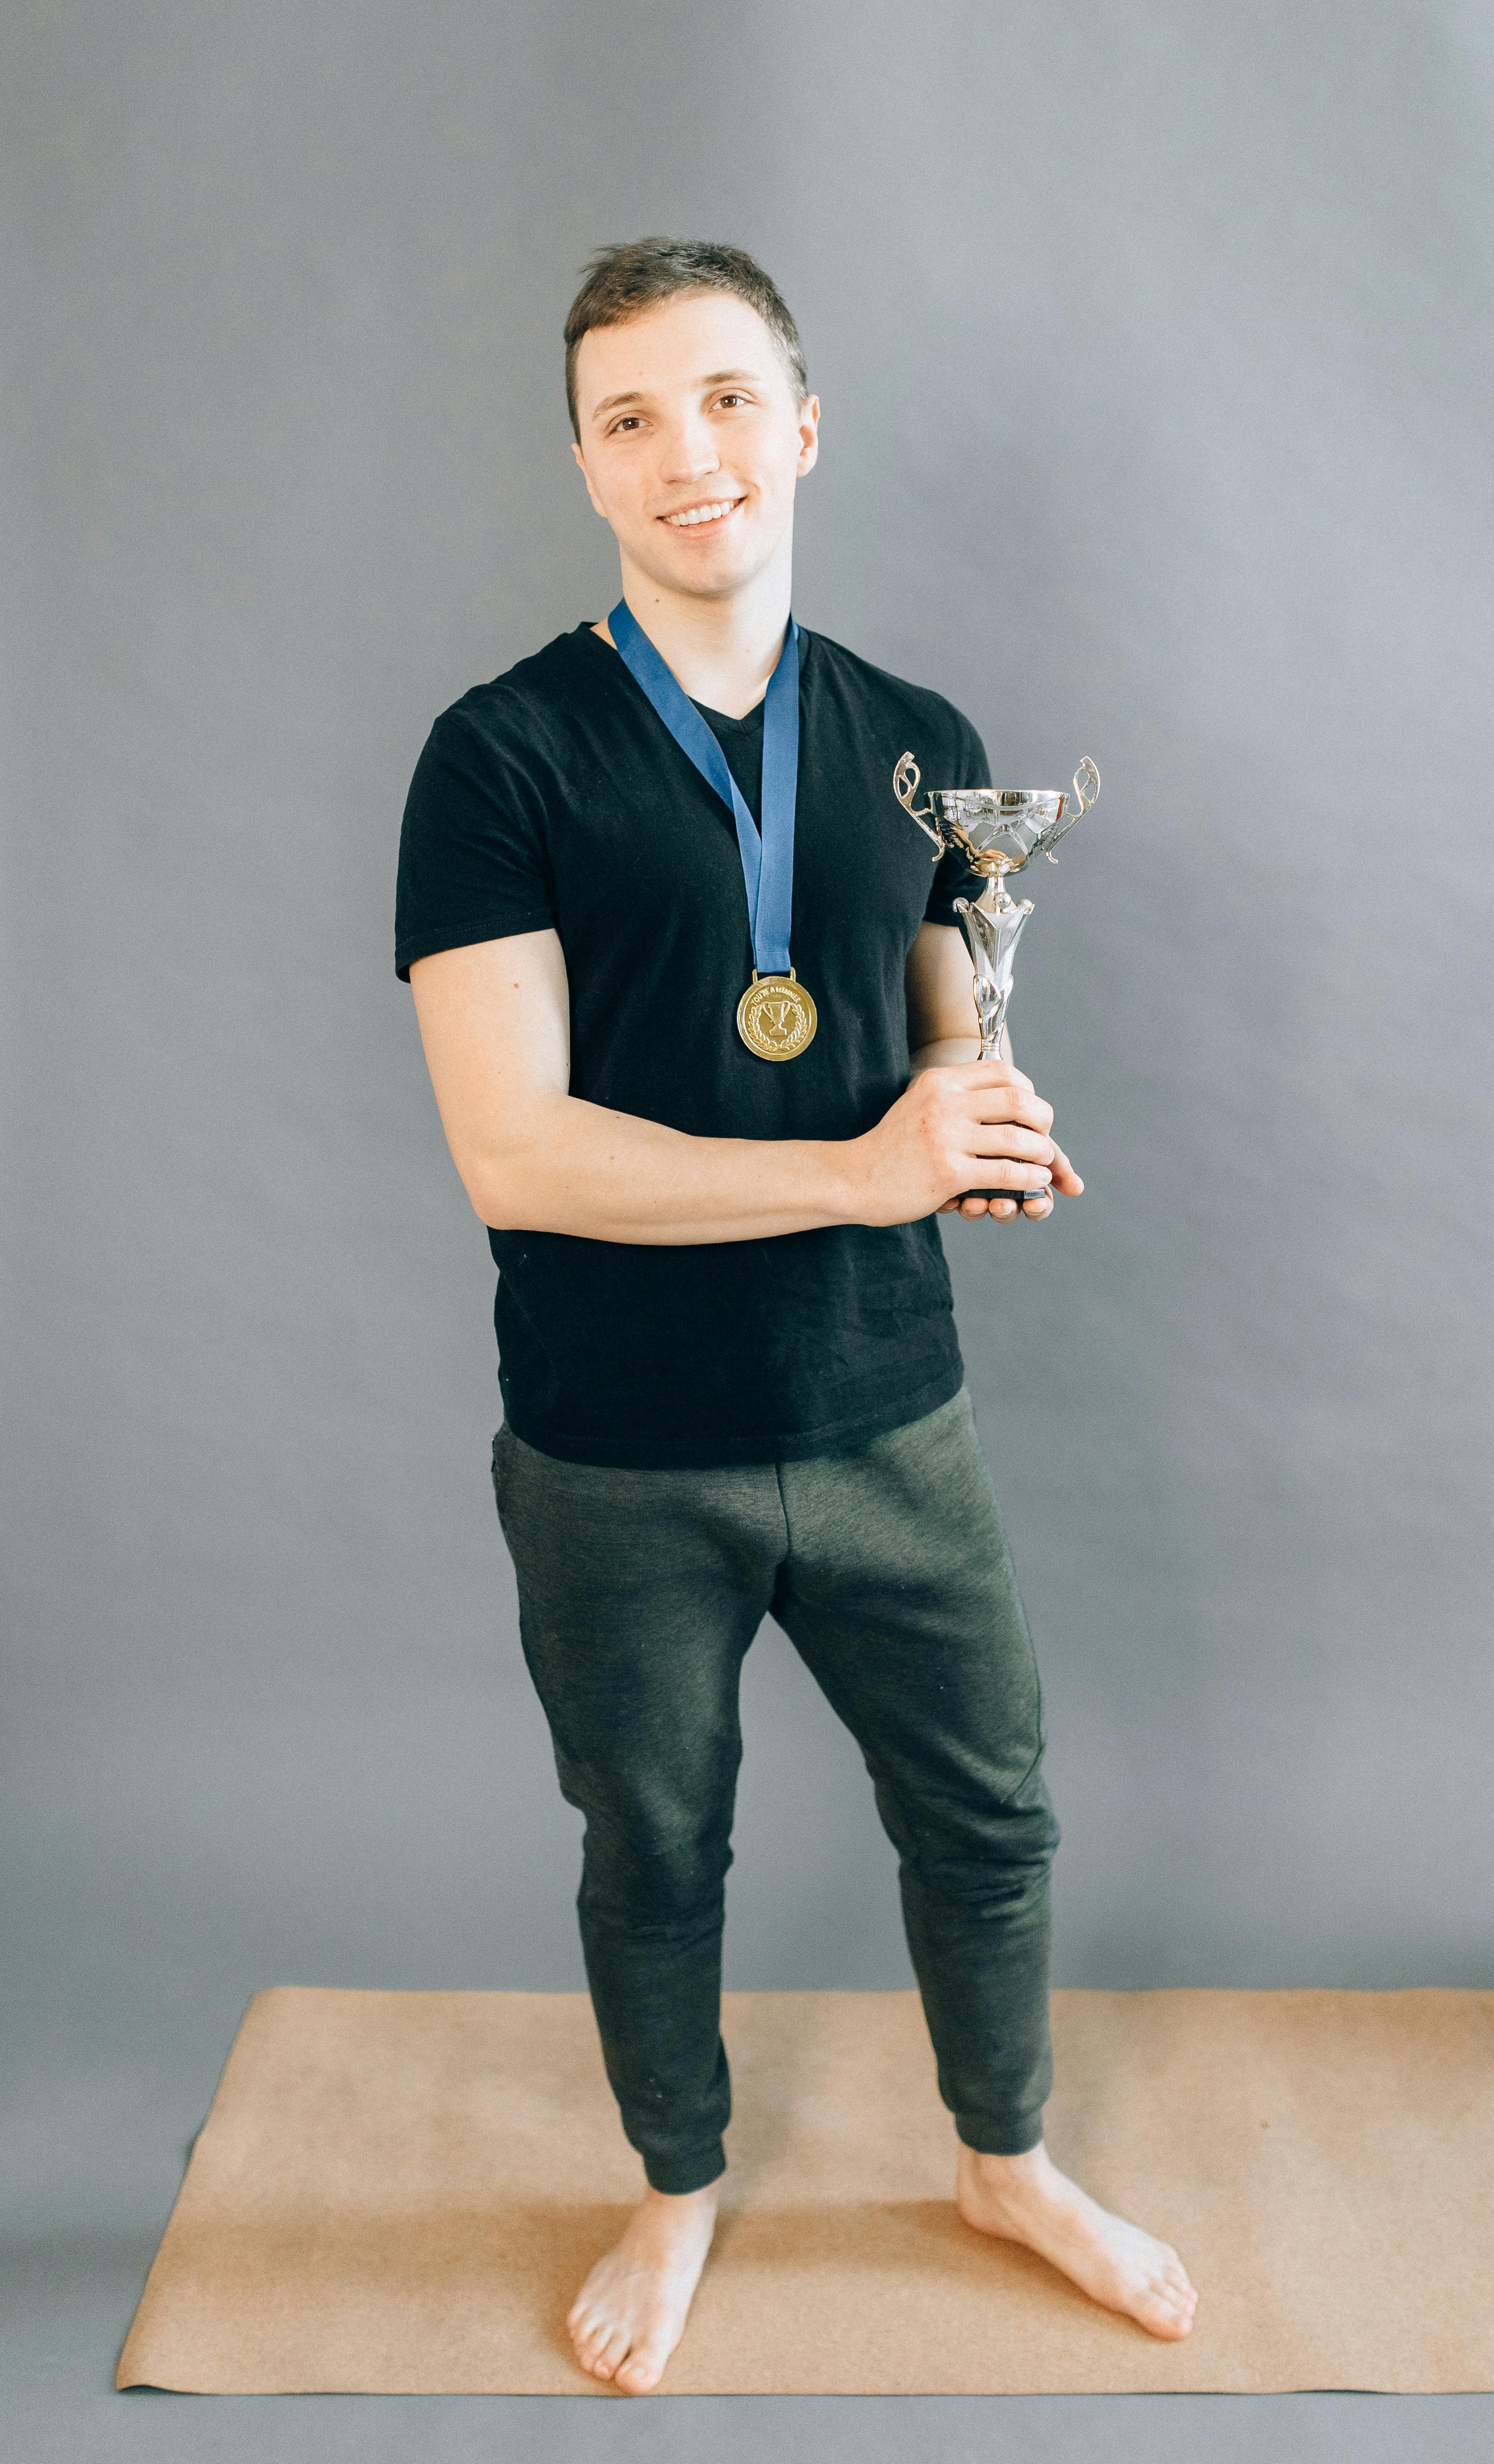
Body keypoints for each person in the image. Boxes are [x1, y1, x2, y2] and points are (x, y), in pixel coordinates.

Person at [395, 237, 1197, 2394]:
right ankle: (677, 2189)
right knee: (656, 1842)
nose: (692, 454)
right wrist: (858, 1172)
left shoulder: (924, 748)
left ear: (807, 425)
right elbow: (518, 1155)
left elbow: (939, 1040)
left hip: (884, 1414)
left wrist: (982, 1117)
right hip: (611, 1447)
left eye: (731, 398)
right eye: (633, 416)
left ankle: (1006, 2162)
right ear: (582, 465)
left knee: (992, 1812)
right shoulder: (497, 759)